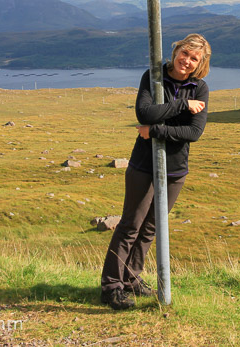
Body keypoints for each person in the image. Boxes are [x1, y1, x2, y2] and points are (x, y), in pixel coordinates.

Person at [100, 33, 211, 310]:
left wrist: (157, 131)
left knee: (151, 228)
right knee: (130, 226)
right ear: (175, 51)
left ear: (200, 64)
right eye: (184, 53)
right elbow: (144, 114)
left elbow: (194, 132)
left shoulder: (200, 88)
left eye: (194, 58)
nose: (186, 61)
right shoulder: (153, 76)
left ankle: (131, 279)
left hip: (175, 169)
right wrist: (182, 105)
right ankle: (111, 286)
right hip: (143, 165)